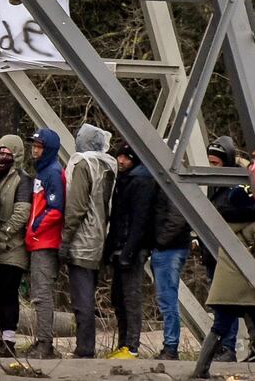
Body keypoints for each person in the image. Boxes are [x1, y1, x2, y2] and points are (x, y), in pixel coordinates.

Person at [192, 186, 255, 378]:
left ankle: (200, 371)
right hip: (251, 286)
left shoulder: (224, 225)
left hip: (224, 287)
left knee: (219, 328)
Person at [58, 123, 117, 359]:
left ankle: (84, 348)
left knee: (81, 299)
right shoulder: (108, 165)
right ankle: (86, 346)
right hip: (100, 238)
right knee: (88, 297)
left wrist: (65, 239)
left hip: (81, 240)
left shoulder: (83, 164)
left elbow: (76, 206)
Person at [104, 143, 155, 359]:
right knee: (119, 297)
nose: (121, 160)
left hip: (131, 248)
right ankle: (123, 344)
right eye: (119, 156)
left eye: (126, 157)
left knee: (131, 297)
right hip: (120, 246)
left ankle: (131, 346)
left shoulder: (140, 181)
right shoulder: (124, 180)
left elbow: (139, 220)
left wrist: (129, 250)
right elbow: (117, 218)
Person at [0, 135, 32, 358]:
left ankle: (9, 339)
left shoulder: (22, 180)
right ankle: (0, 336)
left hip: (12, 247)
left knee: (8, 294)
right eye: (1, 152)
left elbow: (21, 213)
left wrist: (3, 234)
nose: (3, 157)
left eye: (8, 153)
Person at [24, 128, 65, 359]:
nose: (34, 150)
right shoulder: (42, 172)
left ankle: (45, 343)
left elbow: (56, 209)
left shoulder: (52, 173)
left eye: (38, 147)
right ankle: (41, 340)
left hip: (45, 242)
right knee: (39, 293)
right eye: (34, 146)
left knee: (42, 294)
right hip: (38, 241)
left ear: (48, 149)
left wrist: (34, 229)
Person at [202, 135, 240, 362]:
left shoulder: (233, 185)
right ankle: (224, 346)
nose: (211, 167)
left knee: (228, 302)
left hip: (226, 252)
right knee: (219, 303)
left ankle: (228, 347)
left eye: (215, 163)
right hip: (213, 250)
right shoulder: (215, 183)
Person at [150, 188, 191, 360]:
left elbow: (177, 218)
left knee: (167, 300)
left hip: (170, 248)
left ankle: (171, 347)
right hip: (172, 246)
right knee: (167, 300)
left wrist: (159, 241)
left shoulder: (169, 188)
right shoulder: (170, 186)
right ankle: (170, 346)